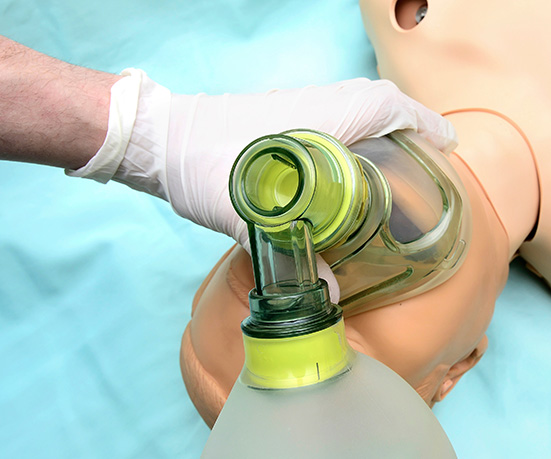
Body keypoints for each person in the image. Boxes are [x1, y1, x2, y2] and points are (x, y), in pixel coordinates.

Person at [0, 34, 503, 426]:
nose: (332, 249)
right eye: (342, 335)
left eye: (259, 277)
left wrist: (144, 131)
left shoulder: (409, 25)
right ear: (457, 368)